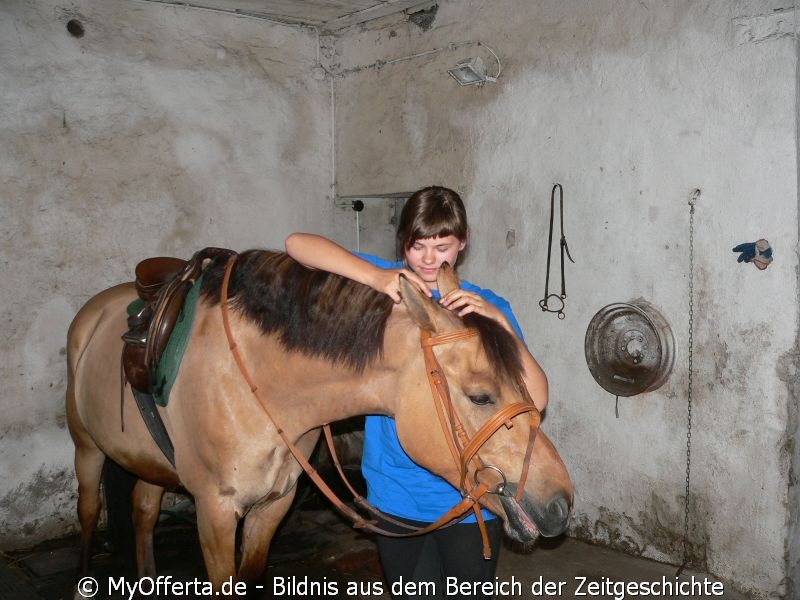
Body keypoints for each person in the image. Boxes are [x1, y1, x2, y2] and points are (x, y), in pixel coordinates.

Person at [285, 185, 548, 600]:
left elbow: (537, 397)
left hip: (467, 502)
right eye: (417, 245)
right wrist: (374, 276)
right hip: (395, 495)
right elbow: (297, 245)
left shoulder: (485, 306)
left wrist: (497, 319)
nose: (428, 259)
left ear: (462, 243)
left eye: (441, 246)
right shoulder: (390, 281)